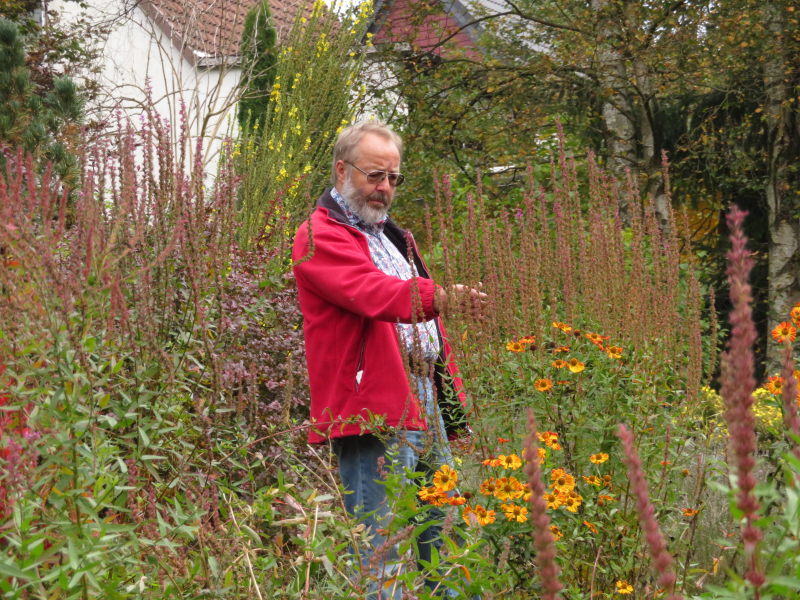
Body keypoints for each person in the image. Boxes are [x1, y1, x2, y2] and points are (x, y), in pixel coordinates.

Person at [292, 120, 485, 598]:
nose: (384, 188)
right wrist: (439, 295)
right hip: (372, 407)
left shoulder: (390, 236)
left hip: (423, 400)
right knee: (381, 548)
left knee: (444, 537)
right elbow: (371, 293)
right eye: (375, 175)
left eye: (393, 179)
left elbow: (420, 325)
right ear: (341, 170)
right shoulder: (319, 236)